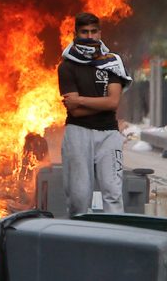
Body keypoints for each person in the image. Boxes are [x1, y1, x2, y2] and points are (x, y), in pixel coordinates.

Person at [58, 12, 131, 216]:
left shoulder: (112, 63)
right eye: (84, 32)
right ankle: (77, 241)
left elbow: (113, 102)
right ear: (76, 33)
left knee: (113, 192)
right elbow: (74, 111)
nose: (89, 37)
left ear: (100, 32)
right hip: (77, 132)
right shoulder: (67, 66)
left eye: (93, 31)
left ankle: (116, 242)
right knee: (79, 197)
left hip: (108, 134)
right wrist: (99, 103)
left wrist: (80, 99)